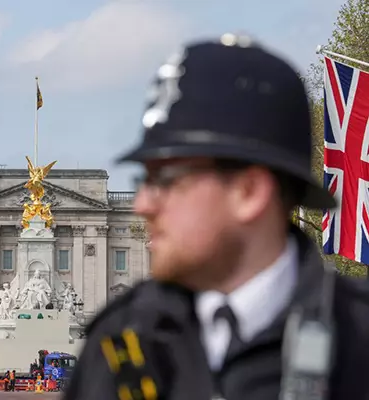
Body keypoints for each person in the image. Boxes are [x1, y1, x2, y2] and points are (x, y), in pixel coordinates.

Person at [63, 34, 369, 400]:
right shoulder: (118, 338)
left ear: (249, 192)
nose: (143, 203)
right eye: (144, 179)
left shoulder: (359, 335)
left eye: (165, 180)